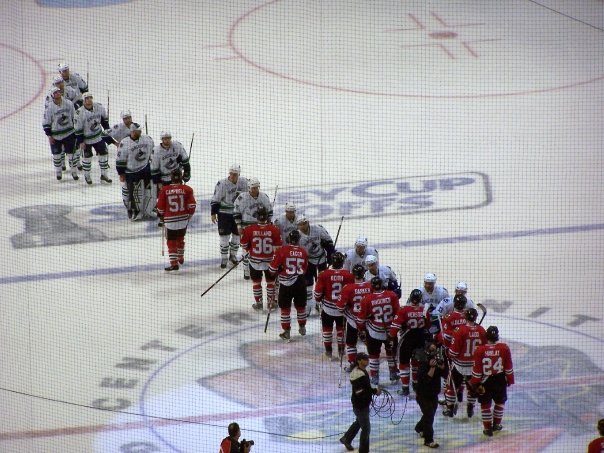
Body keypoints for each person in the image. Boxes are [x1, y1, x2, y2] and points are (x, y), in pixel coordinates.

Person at [469, 325, 514, 437]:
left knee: (485, 404)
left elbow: (477, 370)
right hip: (499, 379)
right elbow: (508, 367)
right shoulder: (504, 348)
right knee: (500, 402)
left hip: (485, 381)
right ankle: (496, 425)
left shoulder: (479, 350)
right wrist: (510, 380)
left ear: (486, 336)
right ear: (497, 336)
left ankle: (487, 428)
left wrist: (475, 383)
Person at [357, 277, 400, 385]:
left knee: (373, 355)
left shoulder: (366, 299)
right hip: (390, 331)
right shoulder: (392, 295)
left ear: (371, 286)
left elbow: (361, 319)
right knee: (391, 352)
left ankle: (375, 376)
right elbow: (398, 314)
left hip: (374, 332)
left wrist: (361, 330)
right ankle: (393, 372)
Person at [444, 308, 487, 418]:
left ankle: (449, 409)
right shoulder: (482, 330)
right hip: (474, 366)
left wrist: (448, 352)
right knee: (472, 387)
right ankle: (470, 406)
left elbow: (453, 352)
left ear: (465, 317)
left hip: (460, 365)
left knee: (451, 385)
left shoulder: (460, 330)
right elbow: (484, 349)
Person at [388, 288, 430, 396]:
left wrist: (390, 337)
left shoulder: (403, 310)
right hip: (420, 340)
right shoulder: (424, 310)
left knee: (404, 363)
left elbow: (395, 327)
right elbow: (428, 326)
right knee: (416, 363)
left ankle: (405, 388)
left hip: (407, 340)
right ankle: (416, 384)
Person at [268, 229, 309, 340]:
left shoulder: (282, 250)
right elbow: (304, 270)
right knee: (301, 307)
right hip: (300, 282)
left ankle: (286, 331)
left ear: (289, 239)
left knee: (285, 309)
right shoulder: (303, 252)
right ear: (299, 239)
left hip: (286, 284)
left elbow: (271, 270)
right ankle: (302, 327)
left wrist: (279, 270)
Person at [313, 252, 354, 359]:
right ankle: (341, 351)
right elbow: (351, 293)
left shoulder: (323, 274)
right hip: (342, 310)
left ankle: (328, 352)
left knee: (327, 330)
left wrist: (318, 300)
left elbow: (317, 293)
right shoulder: (349, 275)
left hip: (327, 309)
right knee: (341, 331)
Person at [240, 207, 282, 310]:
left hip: (254, 261)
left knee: (256, 283)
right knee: (271, 283)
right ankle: (270, 303)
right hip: (270, 262)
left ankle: (258, 303)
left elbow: (243, 244)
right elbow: (278, 248)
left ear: (256, 216)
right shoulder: (274, 229)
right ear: (267, 217)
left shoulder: (249, 229)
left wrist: (250, 249)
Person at [339, 352, 381, 453]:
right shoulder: (357, 374)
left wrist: (373, 390)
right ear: (359, 361)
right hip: (360, 406)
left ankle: (346, 438)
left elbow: (364, 388)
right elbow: (359, 391)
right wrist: (374, 391)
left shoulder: (362, 371)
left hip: (362, 404)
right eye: (365, 359)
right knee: (366, 429)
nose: (367, 360)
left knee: (359, 422)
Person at [156, 169, 196, 271]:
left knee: (171, 241)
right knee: (180, 238)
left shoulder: (164, 190)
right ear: (181, 177)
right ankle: (180, 256)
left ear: (171, 178)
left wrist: (161, 215)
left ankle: (174, 263)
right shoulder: (188, 189)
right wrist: (189, 215)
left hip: (170, 221)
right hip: (183, 220)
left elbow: (160, 208)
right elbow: (192, 205)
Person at [233, 177, 273, 279]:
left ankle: (260, 268)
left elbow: (269, 212)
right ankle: (246, 271)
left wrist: (269, 222)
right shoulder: (242, 198)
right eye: (253, 188)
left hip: (261, 227)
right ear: (249, 188)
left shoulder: (264, 197)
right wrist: (238, 225)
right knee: (246, 250)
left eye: (257, 187)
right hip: (247, 227)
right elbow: (236, 212)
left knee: (258, 249)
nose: (255, 190)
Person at [210, 164, 249, 268]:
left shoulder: (245, 182)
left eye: (235, 174)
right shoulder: (222, 183)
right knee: (224, 237)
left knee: (237, 236)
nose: (232, 176)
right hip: (224, 214)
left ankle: (233, 255)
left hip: (238, 213)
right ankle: (224, 258)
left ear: (239, 174)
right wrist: (213, 213)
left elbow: (249, 196)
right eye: (231, 174)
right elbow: (215, 199)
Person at [296, 215, 335, 315]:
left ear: (308, 222)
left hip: (321, 259)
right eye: (301, 224)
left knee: (322, 282)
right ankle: (309, 305)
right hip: (308, 261)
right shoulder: (297, 235)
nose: (303, 226)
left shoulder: (318, 229)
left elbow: (329, 241)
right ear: (298, 226)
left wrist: (330, 253)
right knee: (308, 283)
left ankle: (320, 302)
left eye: (305, 223)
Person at [115, 123, 155, 220]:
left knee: (149, 190)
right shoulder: (124, 143)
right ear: (132, 131)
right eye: (138, 130)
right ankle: (133, 211)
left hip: (145, 168)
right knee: (133, 193)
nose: (140, 131)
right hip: (131, 172)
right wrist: (121, 173)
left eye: (141, 130)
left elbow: (153, 153)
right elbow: (120, 160)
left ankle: (147, 210)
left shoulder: (147, 139)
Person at [337, 263, 372, 371]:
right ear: (364, 274)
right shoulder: (370, 286)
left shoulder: (348, 288)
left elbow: (340, 307)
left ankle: (353, 364)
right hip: (368, 320)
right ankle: (374, 365)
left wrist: (346, 307)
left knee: (351, 343)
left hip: (353, 320)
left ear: (353, 274)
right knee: (370, 342)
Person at [74, 92, 112, 185]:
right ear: (83, 101)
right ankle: (87, 176)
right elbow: (78, 129)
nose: (89, 100)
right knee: (87, 158)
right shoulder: (79, 113)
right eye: (86, 98)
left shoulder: (98, 107)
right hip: (86, 139)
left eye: (90, 98)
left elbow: (104, 120)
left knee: (103, 154)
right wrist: (81, 142)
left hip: (98, 137)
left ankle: (104, 175)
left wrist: (107, 129)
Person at [413, 341, 446, 448]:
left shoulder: (437, 361)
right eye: (432, 350)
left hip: (434, 394)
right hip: (423, 395)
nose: (434, 352)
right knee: (429, 417)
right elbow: (426, 379)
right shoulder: (423, 364)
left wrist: (442, 367)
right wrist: (432, 368)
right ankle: (428, 440)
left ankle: (419, 428)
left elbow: (445, 375)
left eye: (435, 350)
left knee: (429, 414)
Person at [43, 86, 77, 181]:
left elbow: (74, 118)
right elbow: (46, 123)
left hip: (69, 133)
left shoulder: (69, 104)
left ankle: (73, 172)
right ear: (52, 95)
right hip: (56, 135)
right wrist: (49, 135)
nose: (58, 94)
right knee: (56, 155)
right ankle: (58, 172)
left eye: (58, 92)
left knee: (71, 154)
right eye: (55, 93)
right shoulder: (49, 108)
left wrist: (76, 131)